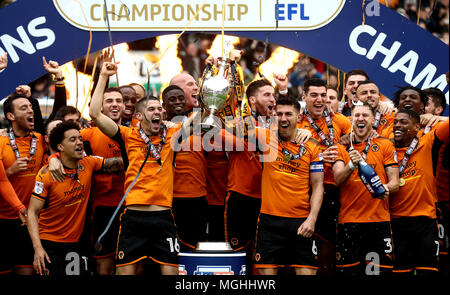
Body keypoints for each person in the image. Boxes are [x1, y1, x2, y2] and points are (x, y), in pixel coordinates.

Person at [89, 60, 195, 275]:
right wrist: (102, 77)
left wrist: (209, 98)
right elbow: (94, 114)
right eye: (151, 109)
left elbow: (199, 118)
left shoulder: (173, 135)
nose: (158, 112)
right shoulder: (127, 135)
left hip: (163, 217)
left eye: (160, 109)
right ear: (138, 116)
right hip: (133, 218)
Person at [27, 121, 123, 276]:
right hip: (49, 243)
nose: (79, 142)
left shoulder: (88, 163)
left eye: (79, 138)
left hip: (76, 244)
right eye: (72, 140)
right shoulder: (46, 175)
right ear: (60, 147)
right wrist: (38, 248)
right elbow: (32, 212)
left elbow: (119, 164)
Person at [254, 95, 324, 275]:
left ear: (298, 117)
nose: (283, 118)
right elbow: (233, 125)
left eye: (288, 114)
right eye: (279, 114)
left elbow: (318, 186)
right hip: (270, 221)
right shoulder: (264, 137)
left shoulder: (312, 145)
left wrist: (312, 219)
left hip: (301, 222)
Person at [332, 103, 399, 275]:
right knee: (348, 273)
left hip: (378, 221)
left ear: (373, 119)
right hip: (349, 221)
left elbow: (395, 182)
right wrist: (351, 164)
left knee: (377, 273)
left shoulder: (385, 145)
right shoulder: (341, 147)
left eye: (365, 115)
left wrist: (383, 188)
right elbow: (338, 179)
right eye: (357, 115)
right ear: (351, 119)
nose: (361, 119)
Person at [296, 78, 352, 275]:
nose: (320, 100)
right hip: (305, 190)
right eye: (314, 95)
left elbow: (364, 139)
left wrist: (347, 141)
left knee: (329, 248)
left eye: (323, 95)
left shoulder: (340, 121)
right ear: (304, 98)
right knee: (304, 246)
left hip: (335, 191)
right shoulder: (296, 122)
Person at [390, 109, 449, 274]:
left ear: (417, 127)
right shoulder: (385, 148)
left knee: (428, 271)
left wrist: (438, 118)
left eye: (403, 122)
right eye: (395, 122)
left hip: (425, 221)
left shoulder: (427, 141)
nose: (397, 126)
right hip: (395, 222)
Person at [80, 87, 126, 275]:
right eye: (109, 101)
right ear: (100, 106)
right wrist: (52, 160)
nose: (114, 104)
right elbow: (58, 143)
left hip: (131, 207)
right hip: (102, 209)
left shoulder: (134, 133)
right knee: (103, 265)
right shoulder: (88, 135)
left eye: (118, 101)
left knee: (131, 265)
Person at [0, 93, 46, 275]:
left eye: (31, 107)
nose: (31, 111)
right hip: (3, 220)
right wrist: (10, 171)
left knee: (27, 272)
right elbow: (2, 180)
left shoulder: (40, 139)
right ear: (10, 116)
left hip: (30, 222)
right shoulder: (1, 141)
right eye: (24, 108)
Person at [161, 85, 208, 251]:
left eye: (181, 98)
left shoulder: (200, 126)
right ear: (163, 105)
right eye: (172, 99)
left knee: (194, 249)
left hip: (197, 198)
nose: (178, 102)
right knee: (169, 250)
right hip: (168, 199)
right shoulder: (158, 128)